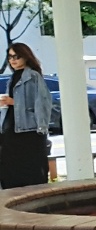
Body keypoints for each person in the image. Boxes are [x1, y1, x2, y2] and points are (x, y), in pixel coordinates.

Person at [0, 42, 53, 189]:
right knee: (9, 168)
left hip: (28, 130)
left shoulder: (33, 76)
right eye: (10, 57)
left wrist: (13, 102)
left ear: (25, 56)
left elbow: (42, 102)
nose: (12, 60)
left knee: (29, 170)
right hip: (11, 128)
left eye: (16, 56)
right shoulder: (13, 77)